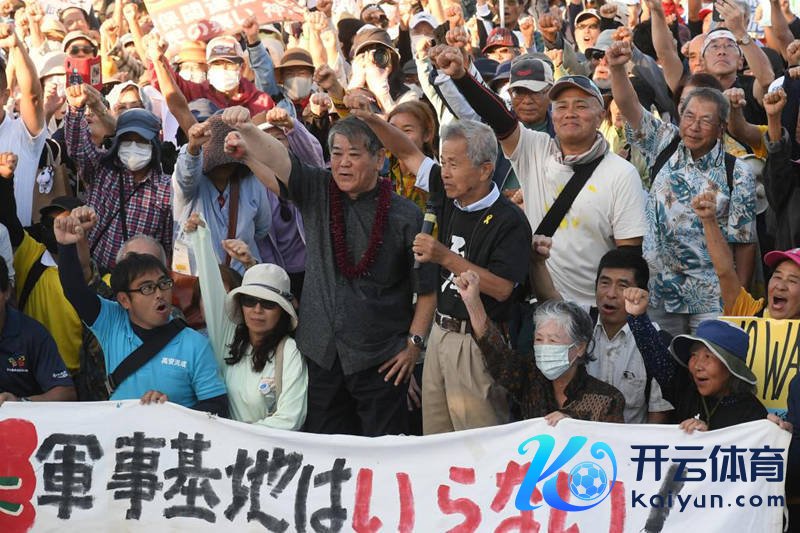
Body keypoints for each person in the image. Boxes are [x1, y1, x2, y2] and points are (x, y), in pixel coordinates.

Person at [219, 106, 437, 436]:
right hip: (321, 353)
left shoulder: (406, 215)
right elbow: (280, 159)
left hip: (380, 358)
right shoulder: (319, 189)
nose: (343, 163)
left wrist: (413, 346)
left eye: (354, 154)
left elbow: (428, 290)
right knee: (324, 447)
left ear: (379, 159)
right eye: (336, 154)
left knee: (383, 451)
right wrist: (249, 130)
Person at [353, 110, 532, 433]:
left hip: (477, 341)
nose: (444, 172)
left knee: (476, 440)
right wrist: (373, 121)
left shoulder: (510, 220)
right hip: (439, 333)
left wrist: (444, 257)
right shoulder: (447, 190)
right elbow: (406, 151)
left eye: (454, 164)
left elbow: (503, 288)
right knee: (436, 437)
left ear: (485, 169)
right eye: (443, 162)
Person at [438, 45, 646, 306]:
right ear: (553, 114)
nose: (569, 113)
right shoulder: (535, 149)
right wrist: (461, 77)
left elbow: (629, 256)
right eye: (561, 106)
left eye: (581, 106)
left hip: (594, 310)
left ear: (600, 116)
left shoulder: (621, 174)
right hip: (538, 306)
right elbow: (498, 117)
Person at [608, 39, 756, 334]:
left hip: (712, 298)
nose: (694, 126)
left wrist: (738, 302)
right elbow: (629, 106)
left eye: (705, 120)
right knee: (661, 360)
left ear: (721, 128)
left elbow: (744, 243)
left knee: (708, 360)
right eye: (689, 116)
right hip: (658, 292)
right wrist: (617, 69)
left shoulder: (738, 172)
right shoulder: (664, 141)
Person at [54, 206, 228, 413]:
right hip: (120, 432)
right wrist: (66, 246)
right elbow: (75, 290)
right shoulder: (112, 322)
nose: (159, 294)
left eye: (163, 284)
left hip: (172, 433)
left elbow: (217, 406)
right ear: (124, 300)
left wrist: (172, 411)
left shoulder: (195, 344)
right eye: (147, 288)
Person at [184, 213, 307, 430]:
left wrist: (238, 435)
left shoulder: (289, 351)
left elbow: (290, 419)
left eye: (268, 304)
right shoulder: (228, 338)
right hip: (223, 443)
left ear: (282, 311)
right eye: (249, 301)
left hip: (264, 448)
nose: (257, 310)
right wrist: (201, 236)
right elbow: (211, 289)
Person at [457, 271, 625, 425]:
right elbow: (496, 352)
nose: (544, 347)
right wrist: (472, 301)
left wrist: (573, 424)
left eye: (553, 340)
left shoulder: (607, 399)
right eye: (539, 339)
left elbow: (610, 443)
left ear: (580, 347)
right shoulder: (528, 377)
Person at [531, 243, 673, 423]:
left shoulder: (657, 343)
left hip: (626, 439)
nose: (611, 294)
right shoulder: (579, 322)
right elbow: (550, 300)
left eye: (623, 286)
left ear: (642, 293)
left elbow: (658, 418)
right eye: (605, 283)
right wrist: (538, 263)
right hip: (576, 436)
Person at [65, 84, 172, 272]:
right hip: (95, 274)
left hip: (135, 280)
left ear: (154, 144)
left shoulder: (165, 189)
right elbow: (77, 148)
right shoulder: (102, 169)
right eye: (127, 141)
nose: (133, 147)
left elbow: (167, 245)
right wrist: (75, 109)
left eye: (141, 141)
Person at [624, 294, 766, 432]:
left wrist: (707, 436)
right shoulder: (685, 389)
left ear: (731, 367)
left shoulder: (752, 413)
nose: (697, 366)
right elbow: (655, 354)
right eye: (694, 355)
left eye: (708, 357)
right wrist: (638, 317)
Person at [0, 257, 76, 405]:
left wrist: (19, 403)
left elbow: (66, 392)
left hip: (22, 418)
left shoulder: (33, 335)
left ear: (7, 292)